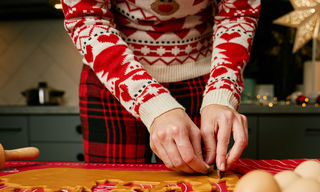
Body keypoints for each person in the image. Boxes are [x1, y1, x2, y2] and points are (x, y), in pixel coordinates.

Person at [61, 0, 261, 174]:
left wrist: (221, 93)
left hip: (202, 82)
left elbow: (238, 13)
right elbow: (86, 17)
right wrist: (152, 102)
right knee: (113, 191)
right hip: (113, 79)